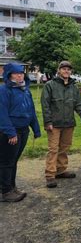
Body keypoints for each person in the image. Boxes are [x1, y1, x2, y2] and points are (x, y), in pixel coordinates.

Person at [41, 61, 81, 188]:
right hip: (54, 124)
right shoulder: (50, 85)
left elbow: (78, 103)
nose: (66, 71)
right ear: (59, 70)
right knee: (53, 149)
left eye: (68, 69)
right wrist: (48, 122)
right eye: (64, 69)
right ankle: (50, 175)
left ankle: (60, 170)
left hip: (69, 123)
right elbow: (45, 105)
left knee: (64, 147)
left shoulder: (74, 87)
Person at [0, 63, 41, 201]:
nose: (20, 75)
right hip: (11, 131)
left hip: (24, 130)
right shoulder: (4, 90)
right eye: (16, 73)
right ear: (9, 75)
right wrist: (10, 133)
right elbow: (2, 113)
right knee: (6, 161)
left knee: (14, 160)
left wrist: (35, 128)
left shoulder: (25, 90)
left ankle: (12, 187)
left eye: (21, 73)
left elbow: (31, 111)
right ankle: (5, 192)